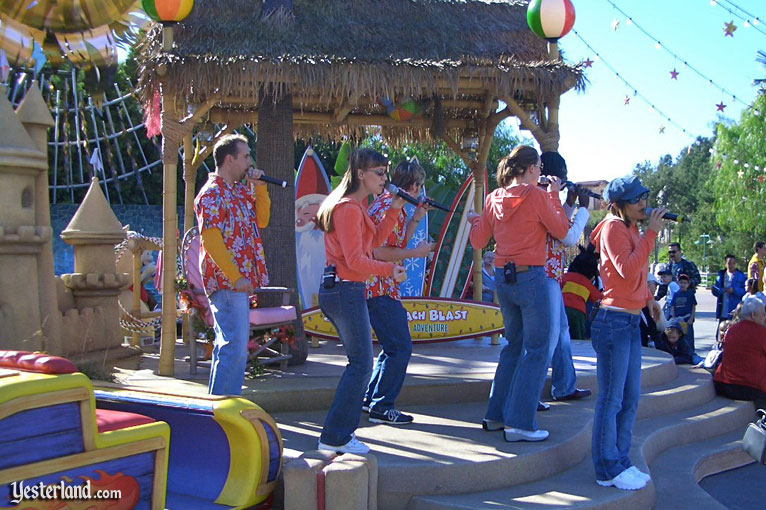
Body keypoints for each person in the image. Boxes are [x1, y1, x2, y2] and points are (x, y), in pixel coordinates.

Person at [467, 145, 569, 442]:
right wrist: (553, 195)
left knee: (513, 346)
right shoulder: (537, 195)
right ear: (532, 169)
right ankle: (521, 423)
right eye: (538, 167)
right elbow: (561, 229)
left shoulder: (493, 198)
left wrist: (476, 219)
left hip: (503, 277)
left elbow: (478, 240)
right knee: (537, 349)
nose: (541, 172)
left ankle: (496, 415)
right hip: (531, 275)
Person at [314, 148, 407, 454]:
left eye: (385, 172)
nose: (385, 178)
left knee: (360, 364)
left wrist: (394, 208)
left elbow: (374, 242)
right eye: (379, 173)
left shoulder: (355, 207)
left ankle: (337, 434)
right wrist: (390, 270)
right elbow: (356, 260)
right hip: (346, 289)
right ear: (360, 175)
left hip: (346, 290)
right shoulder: (349, 208)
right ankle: (335, 436)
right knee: (361, 365)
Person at [589, 175, 667, 490]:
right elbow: (626, 268)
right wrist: (651, 234)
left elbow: (638, 273)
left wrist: (648, 300)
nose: (643, 205)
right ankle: (607, 467)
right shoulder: (611, 228)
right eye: (637, 200)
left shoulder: (631, 228)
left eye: (644, 198)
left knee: (630, 397)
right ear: (620, 204)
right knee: (611, 398)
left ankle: (620, 460)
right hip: (614, 322)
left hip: (631, 320)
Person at [194, 134, 271, 395]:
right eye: (246, 156)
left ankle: (219, 407)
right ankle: (225, 410)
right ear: (230, 159)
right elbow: (211, 239)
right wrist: (235, 276)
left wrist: (260, 187)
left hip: (238, 282)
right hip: (226, 282)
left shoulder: (238, 190)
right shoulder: (211, 194)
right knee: (234, 347)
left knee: (229, 346)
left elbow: (262, 220)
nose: (250, 161)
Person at [363, 159, 434, 425]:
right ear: (414, 186)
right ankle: (383, 407)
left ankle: (371, 399)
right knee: (401, 347)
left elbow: (395, 242)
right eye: (419, 186)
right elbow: (379, 251)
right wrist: (417, 253)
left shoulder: (393, 205)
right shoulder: (387, 206)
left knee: (390, 347)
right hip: (378, 286)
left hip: (381, 286)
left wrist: (416, 218)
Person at [539, 151, 592, 403]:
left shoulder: (547, 199)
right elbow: (568, 237)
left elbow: (558, 226)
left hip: (551, 276)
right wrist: (583, 209)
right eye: (563, 176)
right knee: (547, 338)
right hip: (542, 275)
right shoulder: (542, 197)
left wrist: (569, 203)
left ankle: (564, 386)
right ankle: (529, 396)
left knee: (561, 333)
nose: (565, 180)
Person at [713, 296, 766, 408]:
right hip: (750, 387)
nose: (764, 318)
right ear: (753, 315)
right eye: (763, 314)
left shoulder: (731, 330)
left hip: (724, 384)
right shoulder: (761, 333)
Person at [561, 244, 602, 340]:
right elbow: (599, 298)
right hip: (579, 312)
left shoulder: (566, 277)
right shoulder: (587, 284)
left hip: (562, 308)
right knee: (578, 336)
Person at [711, 255, 747, 331]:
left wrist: (733, 291)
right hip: (723, 310)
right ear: (725, 264)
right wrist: (714, 290)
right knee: (721, 332)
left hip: (735, 310)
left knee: (734, 333)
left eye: (733, 263)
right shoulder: (720, 276)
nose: (731, 265)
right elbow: (717, 291)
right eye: (729, 263)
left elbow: (745, 291)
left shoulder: (741, 276)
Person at [668, 274, 697, 352]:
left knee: (688, 336)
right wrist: (673, 317)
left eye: (685, 283)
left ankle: (691, 352)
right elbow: (673, 306)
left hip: (687, 318)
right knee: (679, 336)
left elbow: (693, 306)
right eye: (681, 282)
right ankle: (680, 351)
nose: (683, 284)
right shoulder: (676, 294)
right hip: (678, 319)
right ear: (678, 283)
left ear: (688, 284)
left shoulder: (690, 294)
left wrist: (691, 318)